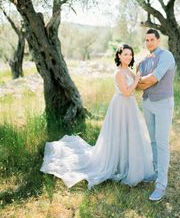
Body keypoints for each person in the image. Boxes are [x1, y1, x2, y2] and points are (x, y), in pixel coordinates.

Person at [40, 44, 155, 189]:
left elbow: (136, 85)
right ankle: (117, 163)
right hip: (121, 106)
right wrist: (137, 78)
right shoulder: (119, 73)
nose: (128, 57)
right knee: (119, 134)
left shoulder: (128, 71)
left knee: (131, 133)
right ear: (119, 56)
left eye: (130, 54)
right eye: (125, 54)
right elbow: (126, 92)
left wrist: (145, 62)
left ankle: (128, 162)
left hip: (130, 106)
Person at [137, 29, 176, 201]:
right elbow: (137, 86)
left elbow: (154, 79)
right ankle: (156, 172)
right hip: (147, 103)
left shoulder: (166, 56)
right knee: (152, 141)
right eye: (146, 40)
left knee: (161, 143)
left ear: (158, 41)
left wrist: (141, 81)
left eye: (152, 39)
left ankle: (161, 185)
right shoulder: (144, 61)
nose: (149, 43)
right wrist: (141, 82)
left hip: (163, 104)